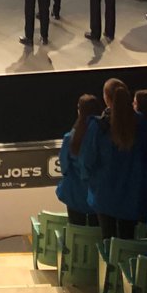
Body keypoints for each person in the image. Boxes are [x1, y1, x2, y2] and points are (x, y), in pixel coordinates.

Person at [80, 77, 147, 240]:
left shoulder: (98, 126)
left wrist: (89, 181)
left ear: (106, 98)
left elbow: (87, 160)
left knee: (108, 243)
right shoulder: (145, 124)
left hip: (104, 196)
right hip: (133, 197)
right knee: (128, 244)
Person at [57, 94, 104, 225]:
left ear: (79, 110)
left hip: (74, 196)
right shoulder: (104, 136)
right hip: (99, 196)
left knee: (77, 234)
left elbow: (64, 167)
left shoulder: (70, 137)